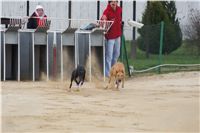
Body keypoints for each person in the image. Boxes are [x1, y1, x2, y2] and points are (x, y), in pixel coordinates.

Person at [101, 0, 122, 77]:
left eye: (115, 1)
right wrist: (103, 19)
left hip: (118, 35)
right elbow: (103, 19)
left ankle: (113, 71)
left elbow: (119, 19)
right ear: (109, 3)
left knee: (116, 54)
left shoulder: (119, 9)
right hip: (110, 37)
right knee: (109, 56)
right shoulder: (106, 11)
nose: (114, 3)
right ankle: (107, 74)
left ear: (117, 2)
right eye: (112, 2)